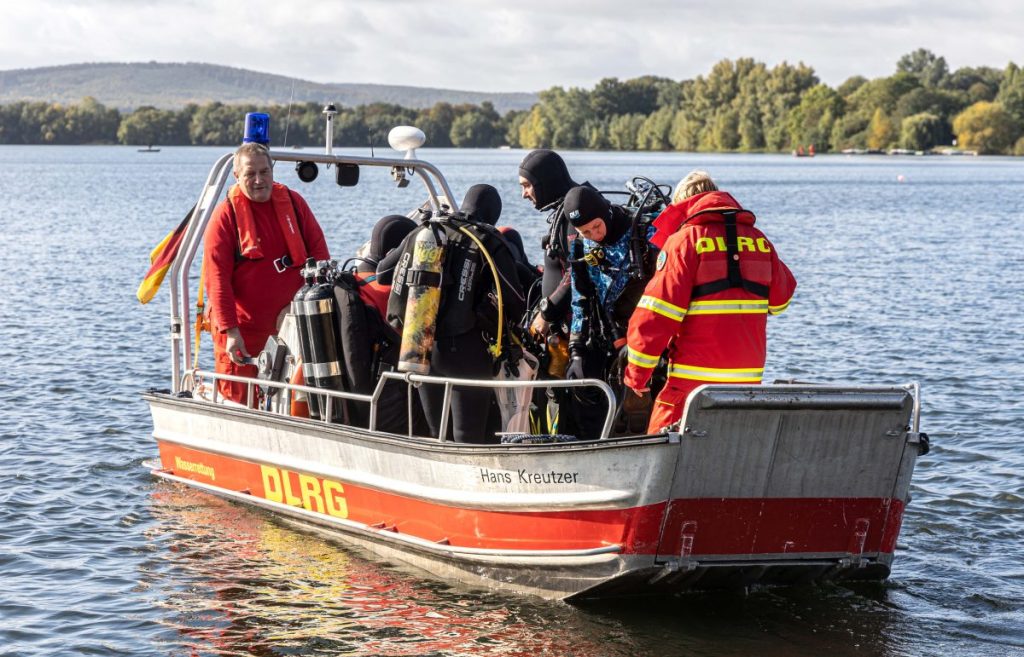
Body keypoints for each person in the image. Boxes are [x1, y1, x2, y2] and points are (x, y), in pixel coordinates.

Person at [624, 171, 797, 433]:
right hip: (746, 382)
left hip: (691, 381)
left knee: (658, 446)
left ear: (684, 207)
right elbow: (780, 302)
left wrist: (637, 377)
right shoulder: (760, 241)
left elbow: (654, 317)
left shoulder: (684, 242)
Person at [387, 184, 526, 443]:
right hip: (467, 351)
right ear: (493, 215)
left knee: (436, 433)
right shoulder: (488, 240)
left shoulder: (426, 232)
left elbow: (385, 272)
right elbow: (515, 301)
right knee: (467, 435)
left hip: (420, 343)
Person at [203, 142, 330, 404]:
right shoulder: (225, 217)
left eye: (265, 172)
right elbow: (217, 282)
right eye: (251, 174)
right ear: (237, 176)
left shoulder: (294, 204)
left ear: (272, 171)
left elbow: (320, 258)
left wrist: (303, 311)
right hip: (243, 333)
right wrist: (230, 332)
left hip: (291, 327)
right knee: (238, 401)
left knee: (298, 400)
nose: (259, 180)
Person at [561, 185, 658, 438]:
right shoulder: (581, 246)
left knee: (642, 409)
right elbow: (580, 297)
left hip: (648, 336)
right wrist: (576, 349)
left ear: (604, 213)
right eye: (586, 231)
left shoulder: (642, 232)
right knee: (587, 392)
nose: (594, 235)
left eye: (597, 226)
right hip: (609, 334)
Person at [517, 149, 585, 338]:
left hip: (574, 329)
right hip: (560, 322)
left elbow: (579, 271)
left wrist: (546, 315)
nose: (524, 194)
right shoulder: (566, 207)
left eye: (527, 186)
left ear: (544, 182)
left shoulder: (577, 212)